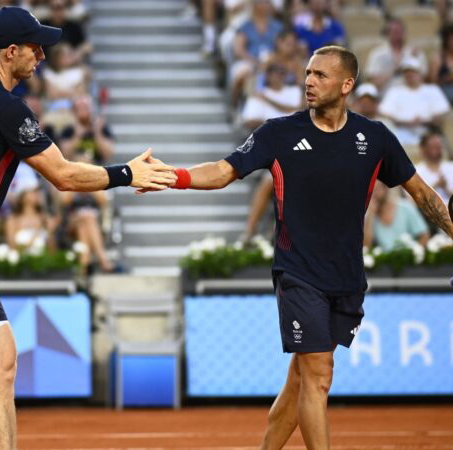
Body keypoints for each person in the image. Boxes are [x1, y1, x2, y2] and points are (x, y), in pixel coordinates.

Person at [0, 6, 176, 449]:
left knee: (1, 364)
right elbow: (63, 176)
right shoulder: (6, 106)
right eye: (35, 47)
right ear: (11, 52)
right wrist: (126, 174)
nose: (42, 54)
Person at [147, 46, 453, 448]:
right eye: (307, 73)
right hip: (297, 272)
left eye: (321, 75)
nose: (309, 81)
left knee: (300, 381)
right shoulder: (278, 132)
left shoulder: (375, 138)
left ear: (347, 85)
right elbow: (222, 172)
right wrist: (173, 176)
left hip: (347, 276)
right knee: (320, 375)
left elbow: (421, 193)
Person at [378, 55, 450, 149]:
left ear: (420, 73)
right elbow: (384, 113)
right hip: (400, 132)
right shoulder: (395, 91)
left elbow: (442, 112)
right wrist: (405, 122)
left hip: (428, 131)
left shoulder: (432, 89)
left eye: (413, 72)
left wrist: (425, 121)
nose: (410, 75)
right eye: (407, 72)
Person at [364, 181, 429, 251]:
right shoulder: (370, 217)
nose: (374, 194)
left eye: (377, 189)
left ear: (385, 189)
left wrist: (415, 253)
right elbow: (366, 245)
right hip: (386, 260)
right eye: (371, 192)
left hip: (409, 258)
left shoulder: (405, 207)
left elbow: (424, 235)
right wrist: (371, 214)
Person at [415, 130, 453, 202]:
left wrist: (446, 189)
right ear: (423, 149)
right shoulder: (416, 172)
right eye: (433, 146)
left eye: (439, 146)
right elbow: (414, 200)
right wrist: (436, 185)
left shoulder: (451, 167)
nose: (438, 149)